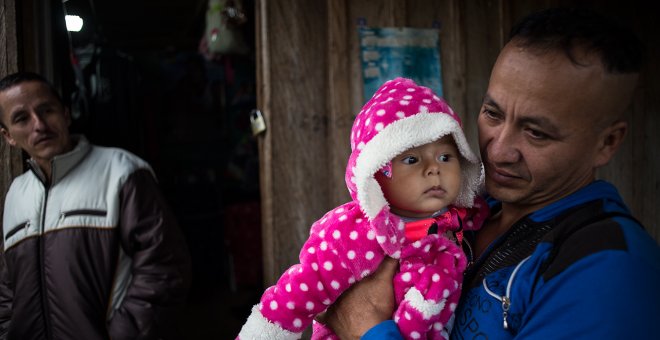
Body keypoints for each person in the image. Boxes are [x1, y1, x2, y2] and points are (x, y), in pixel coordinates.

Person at [321, 7, 660, 339]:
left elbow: (360, 313)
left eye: (536, 133)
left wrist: (363, 326)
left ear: (608, 142)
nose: (497, 151)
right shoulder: (461, 208)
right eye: (493, 114)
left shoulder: (609, 270)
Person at [238, 78, 489, 339]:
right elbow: (304, 287)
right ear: (376, 173)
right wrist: (265, 331)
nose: (434, 168)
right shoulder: (356, 233)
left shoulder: (463, 219)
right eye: (412, 159)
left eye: (445, 157)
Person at [0, 72, 191, 339]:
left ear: (66, 114)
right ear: (8, 136)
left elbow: (164, 269)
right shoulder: (15, 195)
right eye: (22, 118)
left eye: (47, 110)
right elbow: (8, 290)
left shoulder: (123, 172)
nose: (39, 125)